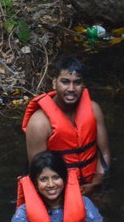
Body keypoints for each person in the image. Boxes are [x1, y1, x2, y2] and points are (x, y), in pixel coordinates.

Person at [22, 56, 111, 194]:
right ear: (54, 83)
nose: (71, 88)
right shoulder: (39, 123)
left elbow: (104, 153)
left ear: (83, 85)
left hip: (91, 184)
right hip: (57, 191)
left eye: (77, 83)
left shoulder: (94, 110)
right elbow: (38, 173)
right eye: (65, 82)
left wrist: (97, 182)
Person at [10, 150, 106, 222]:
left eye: (56, 177)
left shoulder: (84, 203)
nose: (51, 185)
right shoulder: (24, 211)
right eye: (43, 179)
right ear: (35, 183)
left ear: (64, 179)